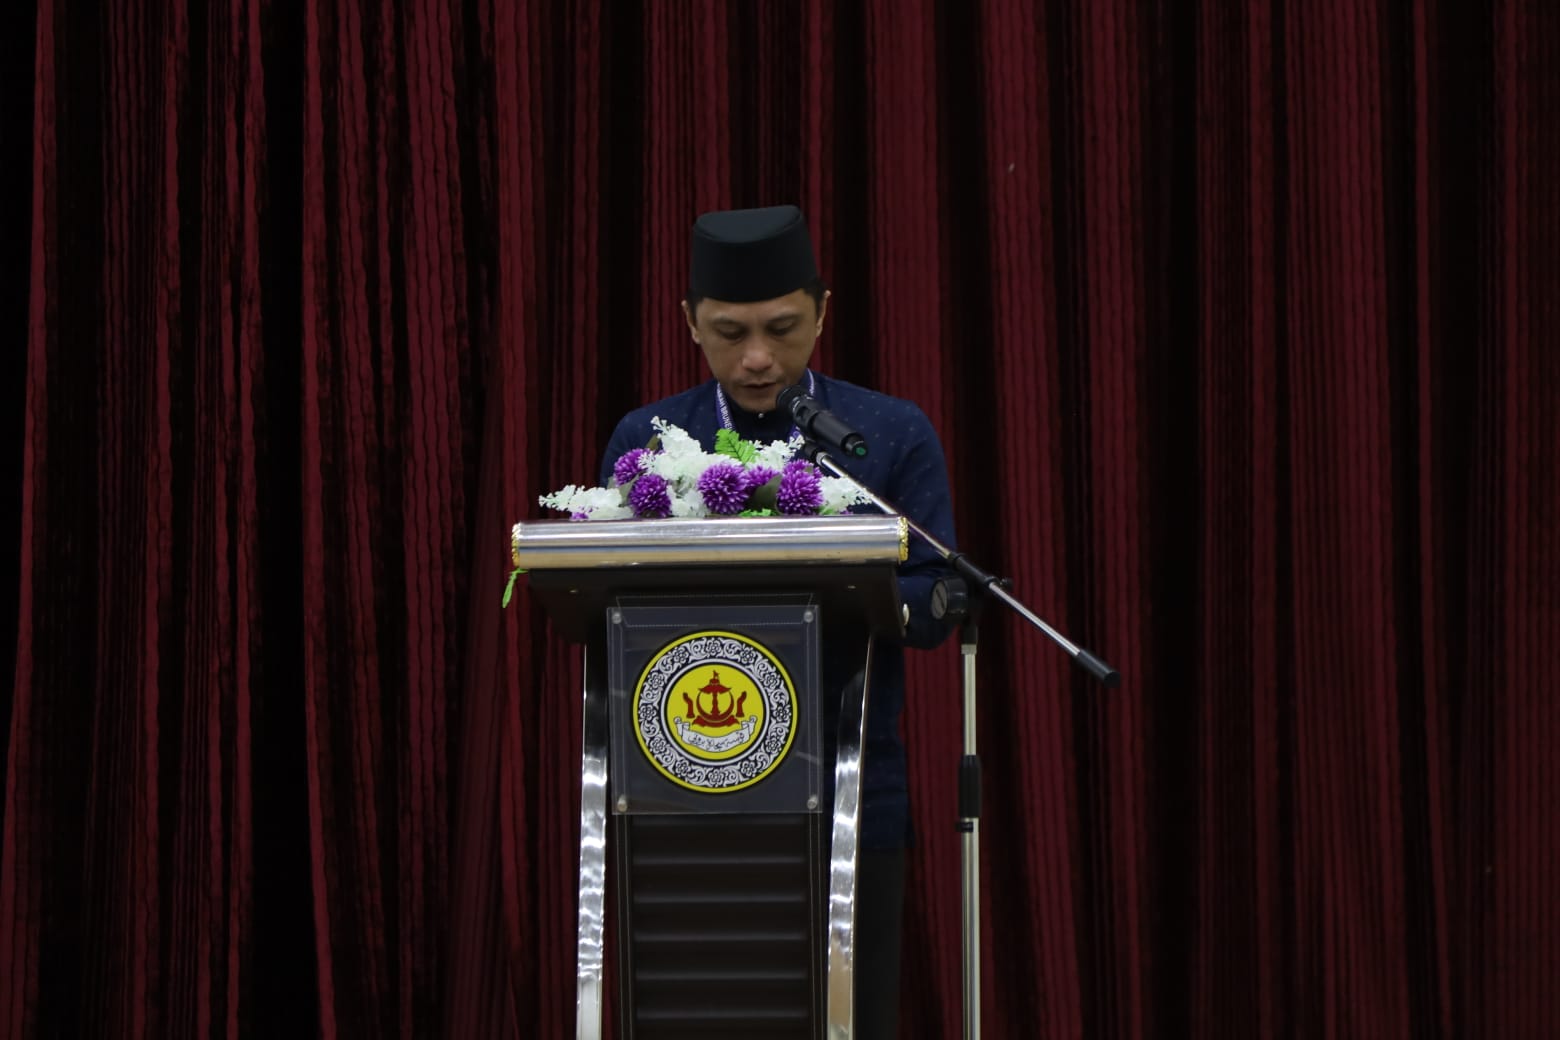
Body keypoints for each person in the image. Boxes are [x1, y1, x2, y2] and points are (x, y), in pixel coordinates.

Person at [600, 205, 958, 1038]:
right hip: (683, 784)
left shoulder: (885, 435)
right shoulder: (650, 441)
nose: (758, 359)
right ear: (691, 323)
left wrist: (869, 591)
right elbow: (612, 601)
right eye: (730, 333)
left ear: (823, 314)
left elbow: (937, 594)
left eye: (783, 329)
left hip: (850, 789)